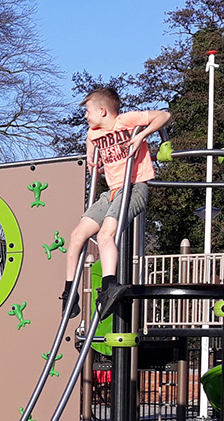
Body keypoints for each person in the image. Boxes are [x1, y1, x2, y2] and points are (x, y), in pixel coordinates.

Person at [60, 87, 171, 319]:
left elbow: (164, 115)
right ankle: (70, 292)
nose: (85, 116)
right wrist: (91, 157)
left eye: (88, 111)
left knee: (105, 234)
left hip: (133, 187)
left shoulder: (126, 121)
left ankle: (109, 284)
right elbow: (91, 142)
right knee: (77, 235)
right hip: (111, 192)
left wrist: (141, 135)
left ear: (102, 111)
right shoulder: (93, 132)